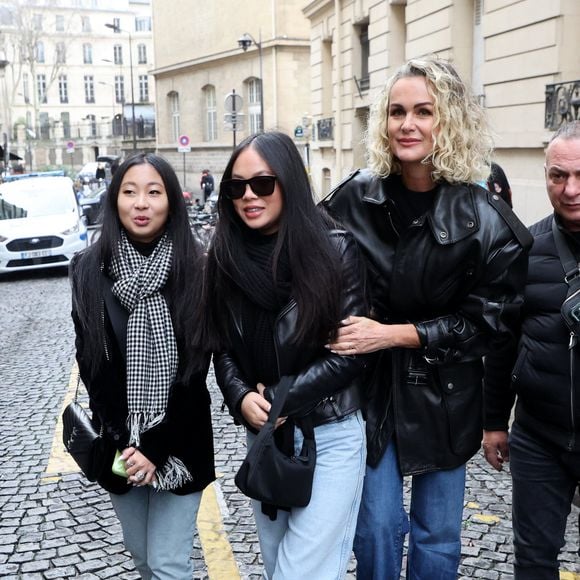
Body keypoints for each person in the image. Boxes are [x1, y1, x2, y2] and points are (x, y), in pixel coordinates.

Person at [323, 56, 532, 579]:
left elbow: (490, 322)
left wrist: (392, 334)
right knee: (374, 529)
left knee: (437, 538)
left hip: (447, 397)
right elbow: (305, 271)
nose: (407, 124)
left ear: (449, 120)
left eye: (423, 111)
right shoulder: (354, 197)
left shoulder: (485, 218)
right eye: (396, 112)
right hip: (369, 395)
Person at [203, 131, 368, 579]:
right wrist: (239, 397)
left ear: (288, 182)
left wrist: (280, 398)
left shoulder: (335, 249)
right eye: (236, 187)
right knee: (279, 565)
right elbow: (222, 348)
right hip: (265, 439)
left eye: (262, 183)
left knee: (300, 573)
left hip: (329, 433)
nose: (248, 197)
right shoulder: (223, 256)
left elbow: (351, 354)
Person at [69, 153, 215, 579]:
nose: (141, 203)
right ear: (115, 200)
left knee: (169, 565)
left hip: (180, 441)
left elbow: (195, 371)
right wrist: (124, 441)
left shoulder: (197, 268)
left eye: (154, 192)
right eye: (130, 192)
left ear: (171, 201)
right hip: (118, 446)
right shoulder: (88, 270)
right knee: (144, 561)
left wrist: (153, 447)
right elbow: (90, 362)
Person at [483, 120, 580, 579]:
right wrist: (494, 421)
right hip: (539, 438)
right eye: (558, 176)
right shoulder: (524, 249)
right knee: (534, 561)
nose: (569, 189)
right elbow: (502, 343)